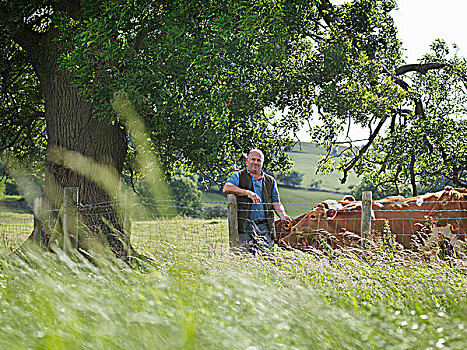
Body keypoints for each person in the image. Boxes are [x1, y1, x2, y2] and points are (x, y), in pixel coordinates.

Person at [223, 149, 292, 255]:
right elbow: (227, 188)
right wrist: (247, 192)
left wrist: (283, 215)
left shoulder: (270, 181)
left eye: (259, 160)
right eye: (253, 159)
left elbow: (276, 202)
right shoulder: (238, 176)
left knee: (268, 259)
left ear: (262, 162)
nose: (255, 162)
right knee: (245, 260)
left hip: (264, 226)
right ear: (247, 161)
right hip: (245, 225)